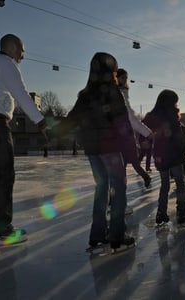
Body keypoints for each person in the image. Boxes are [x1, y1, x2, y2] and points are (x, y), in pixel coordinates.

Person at [0, 34, 47, 245]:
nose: (22, 55)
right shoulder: (6, 63)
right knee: (4, 176)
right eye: (21, 50)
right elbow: (21, 94)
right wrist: (40, 121)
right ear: (12, 47)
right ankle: (1, 231)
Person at [60, 52, 136, 251]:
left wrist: (54, 130)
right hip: (110, 148)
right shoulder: (112, 91)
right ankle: (117, 236)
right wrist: (132, 147)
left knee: (101, 188)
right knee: (118, 189)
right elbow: (123, 122)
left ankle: (97, 234)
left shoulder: (85, 94)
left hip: (92, 149)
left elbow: (72, 118)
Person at [143, 89, 185, 226]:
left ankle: (161, 212)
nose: (176, 105)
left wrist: (146, 140)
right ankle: (181, 212)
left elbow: (143, 126)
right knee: (180, 182)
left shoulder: (154, 115)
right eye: (175, 102)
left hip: (161, 154)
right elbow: (179, 133)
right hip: (174, 154)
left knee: (165, 184)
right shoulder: (171, 115)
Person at [116, 68, 152, 188]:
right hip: (119, 136)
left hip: (127, 135)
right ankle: (117, 195)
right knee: (122, 166)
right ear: (116, 77)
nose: (125, 80)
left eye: (126, 78)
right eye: (123, 77)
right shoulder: (117, 92)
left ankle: (145, 177)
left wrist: (145, 132)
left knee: (132, 164)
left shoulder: (122, 92)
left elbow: (130, 116)